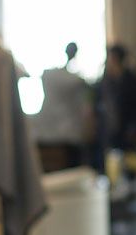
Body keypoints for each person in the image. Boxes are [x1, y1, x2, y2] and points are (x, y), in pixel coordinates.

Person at [33, 42, 92, 170]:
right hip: (64, 136)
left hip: (49, 135)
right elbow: (85, 109)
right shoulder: (75, 80)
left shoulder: (50, 75)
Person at [96, 43, 136, 153]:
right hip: (108, 130)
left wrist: (134, 127)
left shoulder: (131, 80)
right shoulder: (106, 81)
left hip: (127, 131)